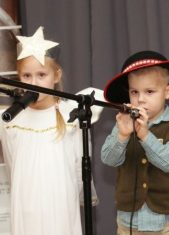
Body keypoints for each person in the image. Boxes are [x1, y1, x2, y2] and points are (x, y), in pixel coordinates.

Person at [0, 26, 102, 235]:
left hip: (60, 205)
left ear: (56, 75)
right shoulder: (10, 119)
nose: (34, 82)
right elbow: (12, 165)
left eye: (41, 74)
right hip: (26, 205)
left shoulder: (71, 114)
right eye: (26, 76)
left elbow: (77, 164)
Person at [101, 50, 169, 234]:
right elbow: (108, 159)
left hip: (167, 223)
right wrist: (122, 136)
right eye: (134, 92)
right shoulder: (123, 124)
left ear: (167, 91)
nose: (140, 99)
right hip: (128, 222)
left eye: (149, 91)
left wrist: (145, 135)